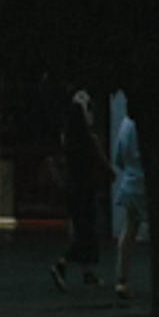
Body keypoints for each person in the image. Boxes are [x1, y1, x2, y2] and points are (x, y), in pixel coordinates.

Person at [51, 92, 112, 291]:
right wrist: (109, 172)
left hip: (73, 187)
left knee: (81, 229)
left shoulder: (68, 137)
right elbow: (101, 160)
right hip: (86, 188)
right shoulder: (89, 137)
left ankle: (88, 272)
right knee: (87, 232)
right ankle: (63, 263)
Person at [112, 106, 147, 303]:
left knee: (129, 231)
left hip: (130, 182)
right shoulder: (145, 125)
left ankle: (121, 279)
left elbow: (118, 158)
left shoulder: (125, 124)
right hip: (144, 182)